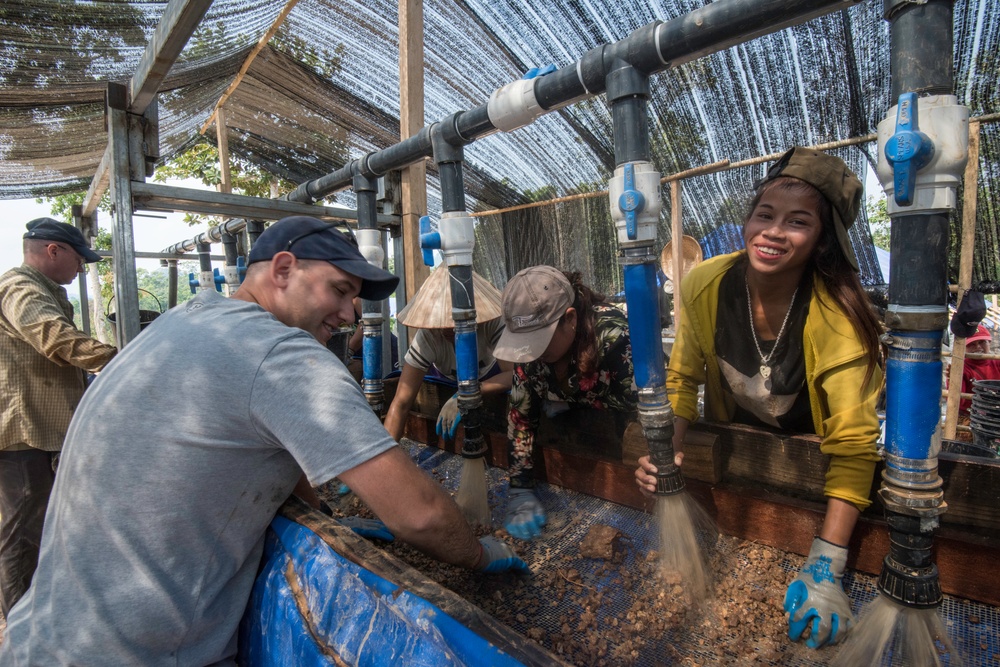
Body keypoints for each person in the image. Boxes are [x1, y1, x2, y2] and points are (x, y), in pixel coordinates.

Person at [0, 216, 527, 666]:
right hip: (141, 652)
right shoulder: (282, 354)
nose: (350, 314)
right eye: (340, 290)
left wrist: (321, 516)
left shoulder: (174, 328)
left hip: (40, 637)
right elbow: (421, 515)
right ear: (282, 270)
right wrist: (480, 556)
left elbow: (272, 456)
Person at [634, 147, 884, 649]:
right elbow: (683, 378)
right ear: (747, 220)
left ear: (821, 240)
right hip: (741, 454)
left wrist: (827, 564)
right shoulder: (704, 284)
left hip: (815, 469)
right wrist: (668, 449)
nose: (773, 231)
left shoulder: (838, 318)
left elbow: (854, 444)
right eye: (764, 215)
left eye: (798, 222)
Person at [0, 217, 118, 618]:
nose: (82, 268)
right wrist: (123, 359)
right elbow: (54, 337)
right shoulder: (21, 288)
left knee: (42, 525)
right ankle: (21, 631)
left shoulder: (44, 290)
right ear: (53, 250)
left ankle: (43, 611)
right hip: (23, 433)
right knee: (22, 535)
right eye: (79, 258)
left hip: (42, 430)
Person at [493, 265, 636, 540]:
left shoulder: (614, 339)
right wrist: (520, 488)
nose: (531, 351)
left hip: (615, 444)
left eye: (539, 340)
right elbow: (521, 419)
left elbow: (638, 412)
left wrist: (577, 403)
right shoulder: (530, 358)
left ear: (570, 319)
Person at [383, 263, 512, 442]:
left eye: (454, 322)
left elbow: (513, 374)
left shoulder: (492, 323)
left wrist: (467, 394)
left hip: (491, 380)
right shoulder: (428, 337)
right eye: (442, 322)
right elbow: (402, 402)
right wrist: (388, 457)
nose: (448, 328)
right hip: (448, 382)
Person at [955, 324, 1000, 421]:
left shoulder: (997, 362)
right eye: (972, 344)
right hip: (971, 417)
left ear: (989, 343)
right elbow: (958, 401)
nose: (978, 347)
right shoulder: (960, 367)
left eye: (982, 342)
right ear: (964, 347)